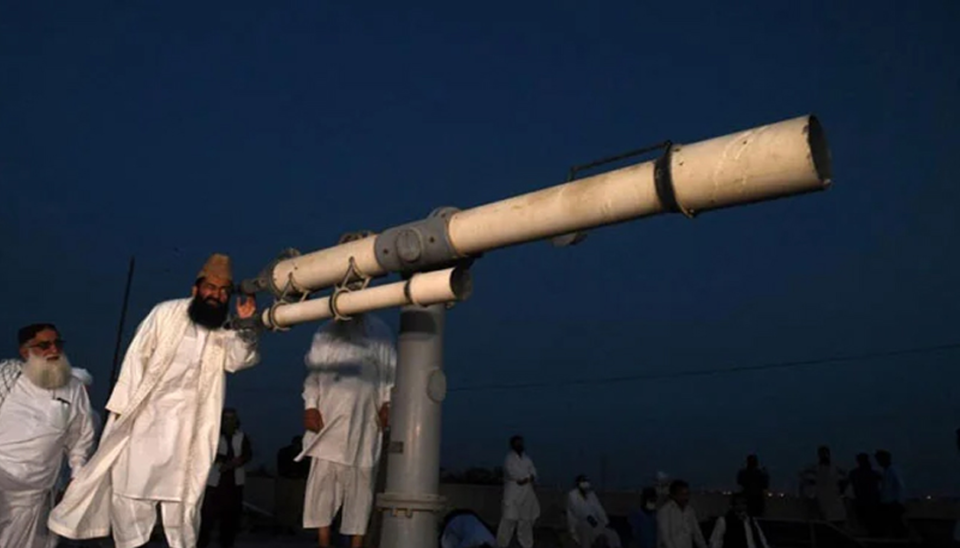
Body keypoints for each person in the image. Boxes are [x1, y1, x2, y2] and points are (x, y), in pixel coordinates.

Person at [49, 253, 260, 548]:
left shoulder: (228, 326)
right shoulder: (165, 313)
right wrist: (121, 412)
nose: (217, 295)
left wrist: (247, 325)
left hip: (190, 430)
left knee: (184, 501)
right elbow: (136, 359)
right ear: (196, 289)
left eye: (224, 291)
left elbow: (239, 361)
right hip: (146, 423)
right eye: (211, 288)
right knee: (133, 490)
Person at [298, 313, 397, 548]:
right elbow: (313, 374)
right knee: (323, 487)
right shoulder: (325, 331)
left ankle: (357, 543)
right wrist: (310, 405)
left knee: (361, 488)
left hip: (365, 423)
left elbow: (390, 373)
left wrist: (388, 402)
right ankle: (323, 541)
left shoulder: (380, 330)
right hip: (328, 420)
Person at [0, 323, 96, 548]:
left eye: (57, 344)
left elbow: (80, 437)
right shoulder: (8, 378)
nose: (54, 350)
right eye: (44, 345)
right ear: (26, 351)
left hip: (34, 490)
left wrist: (77, 477)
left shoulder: (73, 388)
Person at [198, 408, 253, 548]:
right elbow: (206, 451)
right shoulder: (212, 434)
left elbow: (247, 454)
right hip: (214, 483)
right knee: (207, 520)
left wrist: (237, 462)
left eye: (232, 418)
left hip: (234, 483)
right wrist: (225, 461)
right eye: (226, 419)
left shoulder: (241, 436)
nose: (229, 422)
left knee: (230, 520)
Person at [496, 435, 540, 548]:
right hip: (513, 495)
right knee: (508, 520)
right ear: (512, 445)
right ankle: (501, 545)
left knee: (526, 521)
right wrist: (527, 477)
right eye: (517, 443)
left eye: (521, 442)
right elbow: (515, 475)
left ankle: (527, 545)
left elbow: (534, 472)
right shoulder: (509, 459)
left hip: (527, 494)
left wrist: (528, 478)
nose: (520, 445)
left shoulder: (527, 458)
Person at [566, 474, 622, 548]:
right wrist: (593, 523)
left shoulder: (591, 494)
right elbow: (580, 512)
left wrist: (606, 522)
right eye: (583, 482)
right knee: (589, 533)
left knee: (612, 534)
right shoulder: (572, 495)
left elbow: (599, 509)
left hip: (596, 524)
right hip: (580, 524)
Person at [798, 446, 846, 525]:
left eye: (825, 453)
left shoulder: (836, 469)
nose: (824, 456)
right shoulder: (814, 470)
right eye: (822, 454)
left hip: (835, 506)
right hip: (824, 506)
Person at [275, 435, 310, 535]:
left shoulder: (304, 454)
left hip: (295, 480)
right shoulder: (285, 452)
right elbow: (281, 465)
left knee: (294, 504)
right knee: (283, 503)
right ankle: (282, 525)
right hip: (287, 479)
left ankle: (288, 525)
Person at [657, 480, 706, 548]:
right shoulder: (665, 512)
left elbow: (697, 533)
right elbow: (666, 538)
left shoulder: (690, 511)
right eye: (682, 495)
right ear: (674, 495)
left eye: (687, 494)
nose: (686, 497)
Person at [848, 453, 881, 537]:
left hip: (864, 502)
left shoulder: (854, 474)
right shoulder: (874, 474)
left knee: (866, 525)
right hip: (870, 502)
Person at [875, 450, 906, 538]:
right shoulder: (888, 471)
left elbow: (899, 486)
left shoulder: (892, 470)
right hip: (889, 502)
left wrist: (898, 501)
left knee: (896, 524)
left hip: (893, 503)